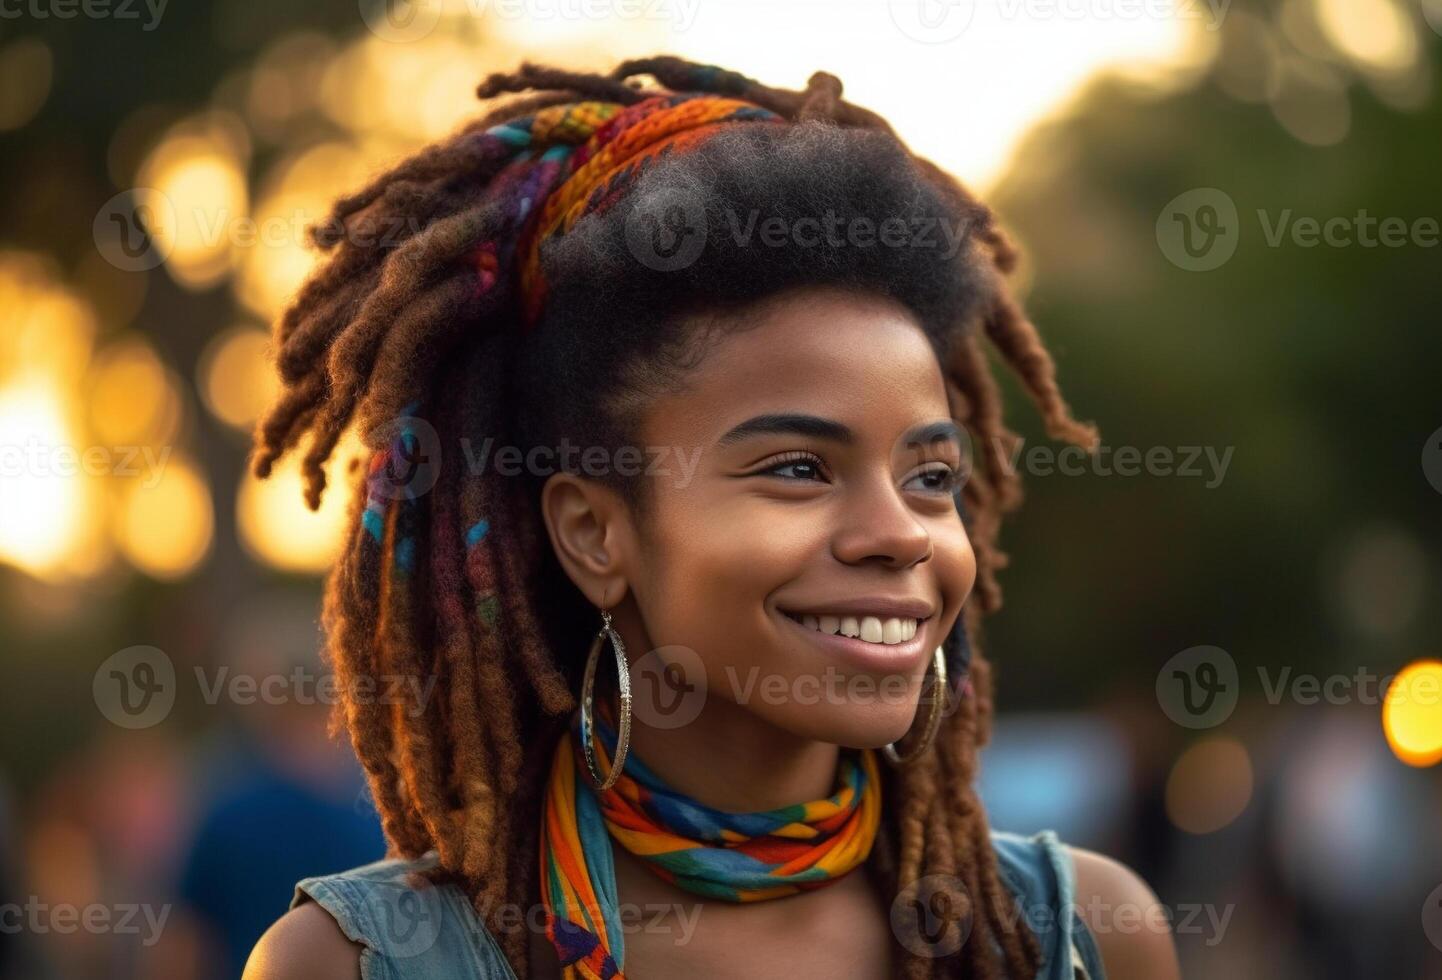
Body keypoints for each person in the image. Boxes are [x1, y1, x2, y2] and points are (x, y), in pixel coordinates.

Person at [241, 56, 1180, 980]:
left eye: (930, 477)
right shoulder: (363, 963)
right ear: (595, 534)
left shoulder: (1077, 937)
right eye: (801, 468)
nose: (901, 534)